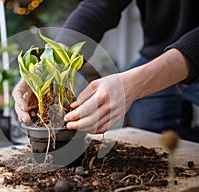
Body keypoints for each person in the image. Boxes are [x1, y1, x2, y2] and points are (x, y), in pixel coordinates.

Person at [13, 0, 199, 140]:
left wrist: (133, 85)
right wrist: (48, 67)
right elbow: (98, 6)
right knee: (154, 137)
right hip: (156, 53)